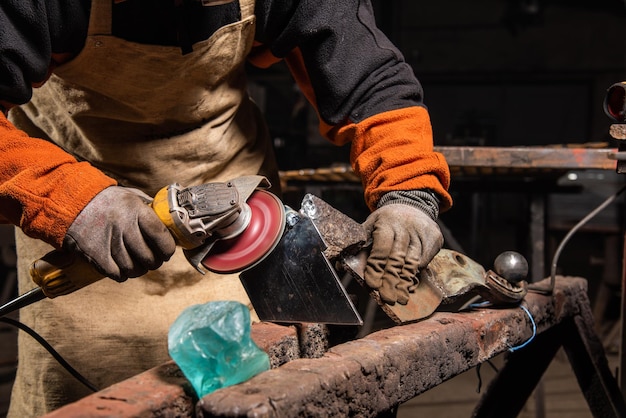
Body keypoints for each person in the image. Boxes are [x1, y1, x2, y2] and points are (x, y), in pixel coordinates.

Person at [0, 0, 452, 415]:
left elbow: (369, 77)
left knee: (256, 382)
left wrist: (408, 190)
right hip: (86, 207)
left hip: (238, 209)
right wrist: (68, 199)